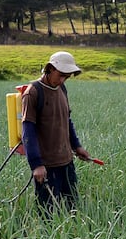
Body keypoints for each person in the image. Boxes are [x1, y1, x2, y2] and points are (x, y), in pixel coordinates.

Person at [21, 51, 93, 214]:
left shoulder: (62, 89)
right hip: (46, 166)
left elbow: (66, 121)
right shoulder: (33, 92)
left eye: (66, 77)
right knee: (47, 213)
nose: (62, 80)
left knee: (72, 208)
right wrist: (36, 164)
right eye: (60, 75)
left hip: (66, 162)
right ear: (49, 69)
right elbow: (28, 131)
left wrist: (77, 146)